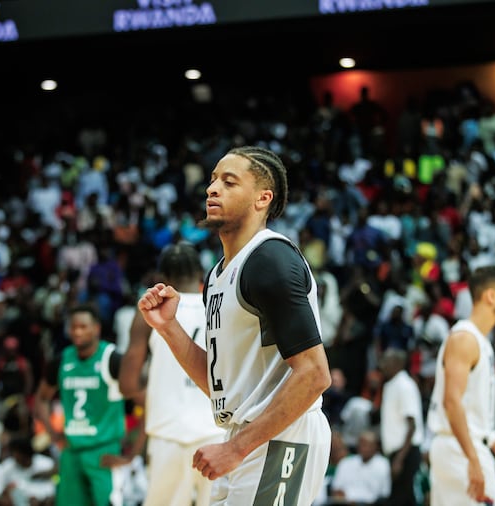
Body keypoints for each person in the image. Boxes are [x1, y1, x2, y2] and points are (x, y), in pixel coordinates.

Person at [137, 145, 332, 505]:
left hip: (282, 436)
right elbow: (222, 387)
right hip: (245, 434)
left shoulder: (270, 259)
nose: (212, 189)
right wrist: (169, 328)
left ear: (262, 198)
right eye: (213, 181)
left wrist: (237, 448)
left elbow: (315, 374)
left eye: (229, 182)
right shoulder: (218, 275)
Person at [119, 241, 226, 506]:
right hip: (217, 433)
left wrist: (156, 392)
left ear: (162, 277)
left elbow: (127, 383)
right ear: (201, 274)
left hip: (168, 433)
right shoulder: (220, 307)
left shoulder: (149, 311)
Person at [426, 265, 495, 505]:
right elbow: (452, 402)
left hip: (460, 446)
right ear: (491, 296)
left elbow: (475, 415)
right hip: (459, 448)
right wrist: (473, 459)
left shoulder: (479, 340)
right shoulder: (465, 339)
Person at [32, 303, 127, 506]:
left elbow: (145, 399)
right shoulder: (61, 361)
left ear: (96, 328)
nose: (77, 332)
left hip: (104, 450)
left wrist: (132, 453)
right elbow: (41, 398)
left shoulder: (112, 359)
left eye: (83, 326)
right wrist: (53, 433)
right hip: (71, 450)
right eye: (73, 327)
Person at [378, 347, 424, 506]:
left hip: (406, 453)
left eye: (386, 361)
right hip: (397, 453)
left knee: (404, 500)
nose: (382, 365)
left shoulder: (404, 385)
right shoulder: (391, 384)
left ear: (398, 363)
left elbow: (412, 426)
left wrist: (399, 459)